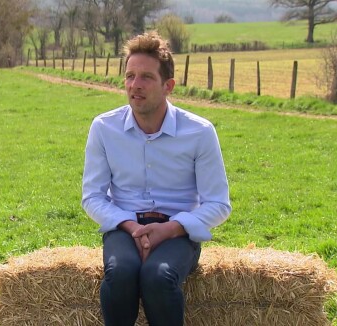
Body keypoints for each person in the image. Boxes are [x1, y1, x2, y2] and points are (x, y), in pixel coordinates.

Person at [81, 31, 231, 326]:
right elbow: (92, 196)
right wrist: (130, 226)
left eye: (146, 77)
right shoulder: (103, 128)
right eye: (130, 76)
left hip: (178, 230)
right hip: (125, 227)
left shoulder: (200, 132)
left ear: (168, 85)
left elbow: (219, 204)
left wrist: (173, 228)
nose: (135, 85)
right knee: (120, 272)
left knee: (158, 277)